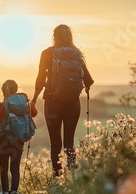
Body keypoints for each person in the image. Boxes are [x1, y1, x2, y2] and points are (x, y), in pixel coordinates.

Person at [31, 24, 94, 177]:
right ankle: (71, 174)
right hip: (73, 103)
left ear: (54, 36)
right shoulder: (76, 54)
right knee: (69, 141)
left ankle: (57, 175)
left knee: (55, 142)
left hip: (52, 102)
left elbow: (40, 78)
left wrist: (34, 99)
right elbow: (88, 80)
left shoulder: (47, 53)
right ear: (70, 37)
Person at [0, 80, 38, 194]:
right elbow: (35, 113)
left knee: (3, 168)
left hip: (3, 140)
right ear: (16, 90)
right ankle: (14, 192)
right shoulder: (22, 105)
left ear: (3, 90)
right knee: (15, 168)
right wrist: (29, 103)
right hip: (18, 140)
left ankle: (5, 193)